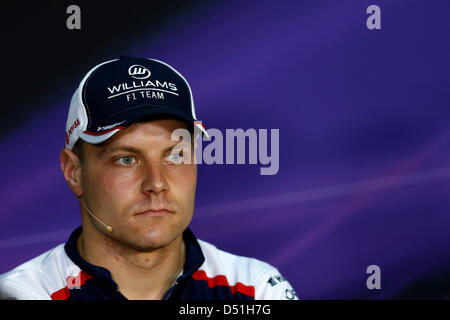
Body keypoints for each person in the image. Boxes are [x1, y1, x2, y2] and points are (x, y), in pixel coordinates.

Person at [0, 56, 298, 300]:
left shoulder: (255, 289)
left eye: (175, 156)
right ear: (73, 172)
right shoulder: (23, 294)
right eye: (126, 159)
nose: (156, 183)